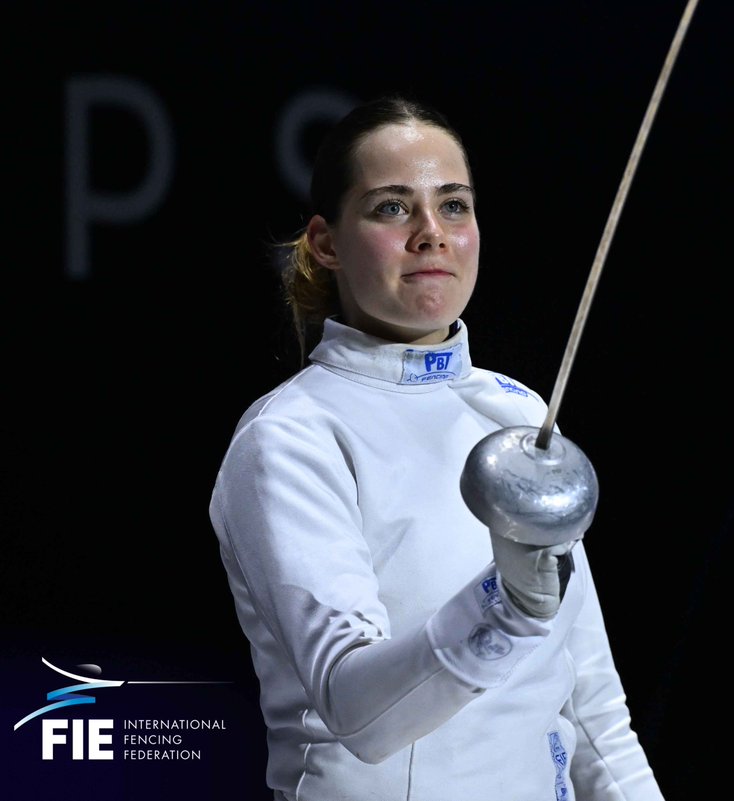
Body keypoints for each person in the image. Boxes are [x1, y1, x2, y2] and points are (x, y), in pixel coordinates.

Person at [207, 93, 665, 801]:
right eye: (393, 207)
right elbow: (357, 709)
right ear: (327, 243)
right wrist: (506, 603)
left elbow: (593, 707)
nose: (432, 233)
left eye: (453, 205)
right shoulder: (291, 436)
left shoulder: (518, 415)